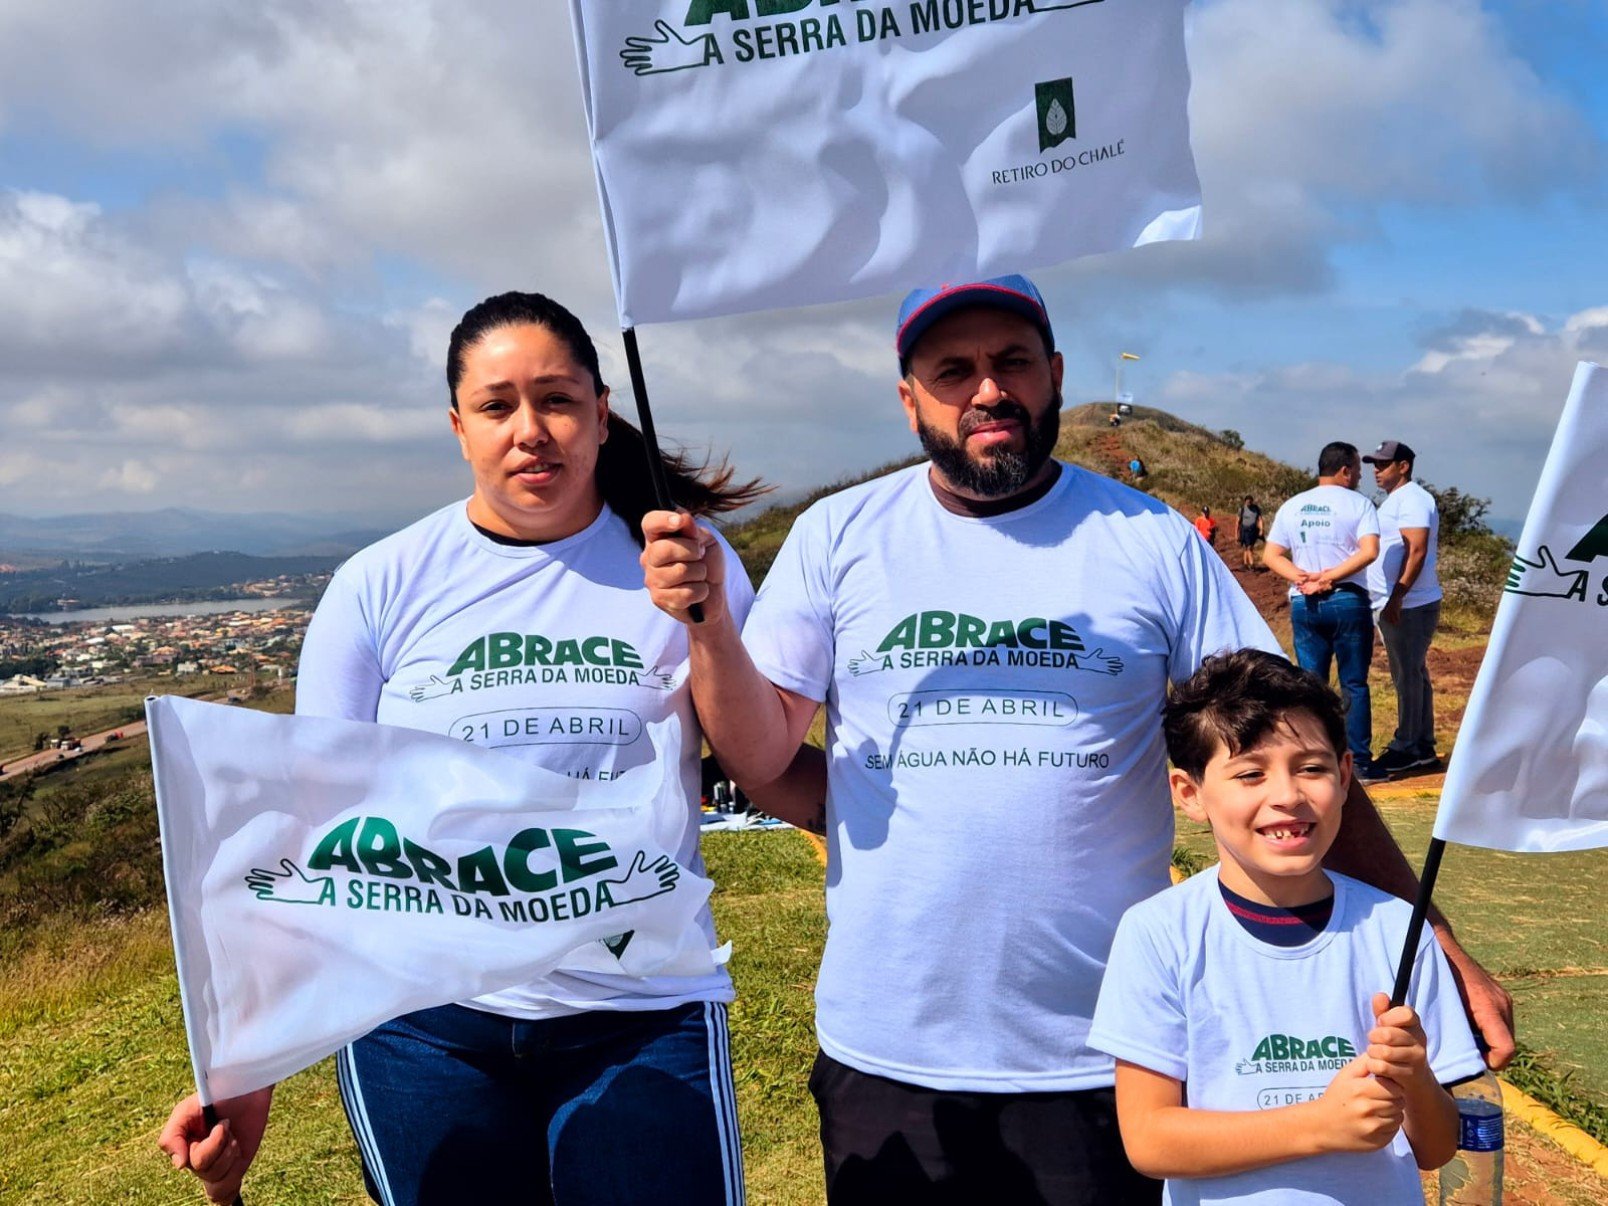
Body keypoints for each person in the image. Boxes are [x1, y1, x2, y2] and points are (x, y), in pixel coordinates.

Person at [639, 274, 1513, 1203]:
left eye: (1013, 362)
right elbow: (760, 754)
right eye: (953, 370)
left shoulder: (1153, 539)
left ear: (1054, 375)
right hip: (889, 1049)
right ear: (909, 400)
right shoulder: (840, 534)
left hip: (1106, 1054)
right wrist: (708, 628)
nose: (988, 389)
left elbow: (1286, 746)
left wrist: (1439, 941)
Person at [158, 292, 763, 1206]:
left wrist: (706, 619)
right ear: (458, 427)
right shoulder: (379, 585)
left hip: (641, 1009)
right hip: (422, 1025)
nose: (531, 430)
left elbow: (753, 760)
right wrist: (251, 1069)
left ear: (603, 412)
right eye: (497, 406)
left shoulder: (684, 556)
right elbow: (312, 830)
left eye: (558, 399)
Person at [1090, 650, 1479, 1203]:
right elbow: (1151, 1141)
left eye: (1312, 767)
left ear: (1345, 776)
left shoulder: (1395, 927)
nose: (1288, 795)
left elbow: (1436, 1149)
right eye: (1250, 773)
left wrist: (1414, 1076)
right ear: (1189, 792)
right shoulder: (1159, 932)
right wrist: (1318, 1126)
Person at [1262, 443, 1381, 780]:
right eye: (1357, 469)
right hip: (1347, 599)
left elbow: (1271, 555)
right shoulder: (1360, 504)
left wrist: (1302, 578)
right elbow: (1369, 551)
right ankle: (1358, 762)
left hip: (1304, 602)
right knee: (1354, 683)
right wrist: (1329, 577)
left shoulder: (1293, 505)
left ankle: (1312, 762)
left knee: (1311, 685)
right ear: (1344, 470)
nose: (1359, 475)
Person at [1363, 440, 1443, 777]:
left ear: (1404, 466)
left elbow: (1417, 550)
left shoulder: (1412, 500)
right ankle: (1421, 743)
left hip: (1408, 604)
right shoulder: (1400, 500)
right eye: (1375, 464)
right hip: (1405, 602)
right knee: (1413, 672)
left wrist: (1397, 596)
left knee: (1406, 674)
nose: (1377, 471)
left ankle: (1408, 745)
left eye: (1383, 464)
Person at [1237, 494, 1264, 571]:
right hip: (1244, 530)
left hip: (1253, 530)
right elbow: (1238, 521)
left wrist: (1261, 529)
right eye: (1247, 501)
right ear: (1245, 501)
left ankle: (1245, 564)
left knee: (1248, 547)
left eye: (1250, 501)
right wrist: (1236, 533)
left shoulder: (1256, 509)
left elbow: (1260, 519)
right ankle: (1252, 564)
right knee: (1248, 547)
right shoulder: (1242, 509)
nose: (1248, 503)